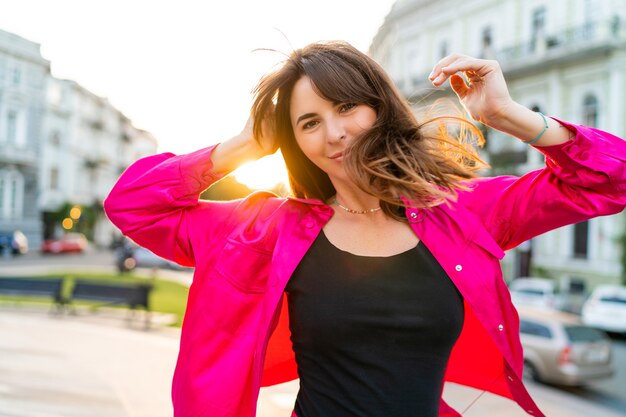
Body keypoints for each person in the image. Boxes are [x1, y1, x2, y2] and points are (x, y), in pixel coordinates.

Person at [104, 41, 626, 417]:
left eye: (346, 107)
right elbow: (134, 206)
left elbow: (607, 182)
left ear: (377, 107)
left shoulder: (465, 212)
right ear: (293, 140)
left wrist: (510, 115)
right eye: (308, 122)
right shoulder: (264, 231)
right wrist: (243, 146)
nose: (334, 133)